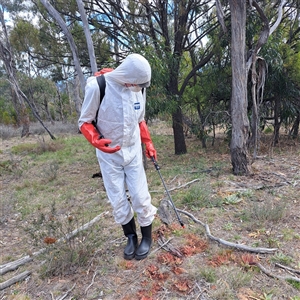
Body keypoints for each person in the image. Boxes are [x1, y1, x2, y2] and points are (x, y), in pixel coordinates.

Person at [78, 53, 157, 260]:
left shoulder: (138, 89)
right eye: (137, 83)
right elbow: (84, 121)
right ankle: (130, 236)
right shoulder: (98, 87)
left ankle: (147, 237)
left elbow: (140, 120)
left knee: (140, 196)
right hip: (109, 156)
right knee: (118, 199)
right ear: (127, 76)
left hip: (132, 152)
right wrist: (95, 140)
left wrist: (147, 142)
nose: (139, 88)